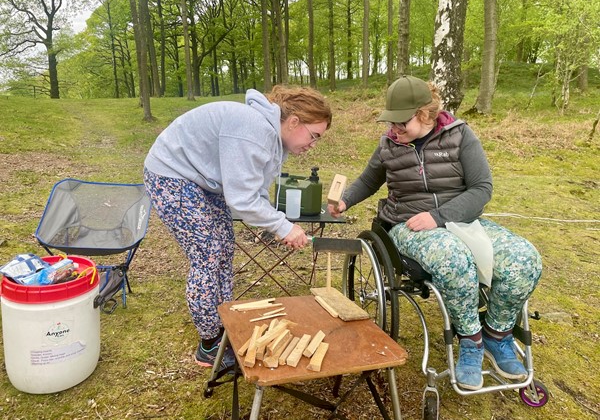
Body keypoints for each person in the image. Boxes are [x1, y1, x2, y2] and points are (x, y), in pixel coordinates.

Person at [327, 75, 542, 390]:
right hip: (407, 224)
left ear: (424, 115)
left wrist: (440, 216)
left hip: (463, 220)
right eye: (392, 122)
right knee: (452, 259)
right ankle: (471, 341)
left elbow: (482, 188)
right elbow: (369, 179)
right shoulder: (388, 143)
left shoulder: (460, 135)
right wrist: (345, 199)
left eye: (402, 122)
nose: (394, 129)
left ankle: (497, 334)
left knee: (525, 259)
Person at [144, 86, 332, 371]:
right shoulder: (253, 129)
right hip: (172, 175)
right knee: (207, 255)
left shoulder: (273, 140)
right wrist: (283, 227)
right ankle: (209, 345)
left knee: (223, 249)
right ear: (293, 122)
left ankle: (224, 325)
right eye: (313, 135)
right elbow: (241, 200)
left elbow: (255, 191)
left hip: (204, 181)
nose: (313, 144)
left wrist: (278, 224)